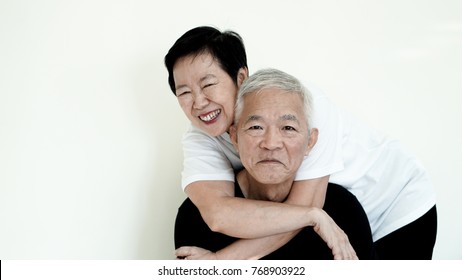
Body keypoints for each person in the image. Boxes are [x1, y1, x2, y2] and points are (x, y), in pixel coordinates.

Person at [164, 26, 437, 259]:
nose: (198, 102)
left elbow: (300, 212)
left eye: (208, 85)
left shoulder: (306, 107)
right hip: (332, 217)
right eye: (184, 92)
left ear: (241, 78)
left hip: (395, 203)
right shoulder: (200, 136)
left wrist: (220, 262)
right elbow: (219, 214)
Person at [174, 68, 374, 260]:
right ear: (234, 137)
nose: (271, 144)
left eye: (288, 127)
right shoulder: (195, 217)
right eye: (256, 127)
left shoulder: (343, 211)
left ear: (310, 142)